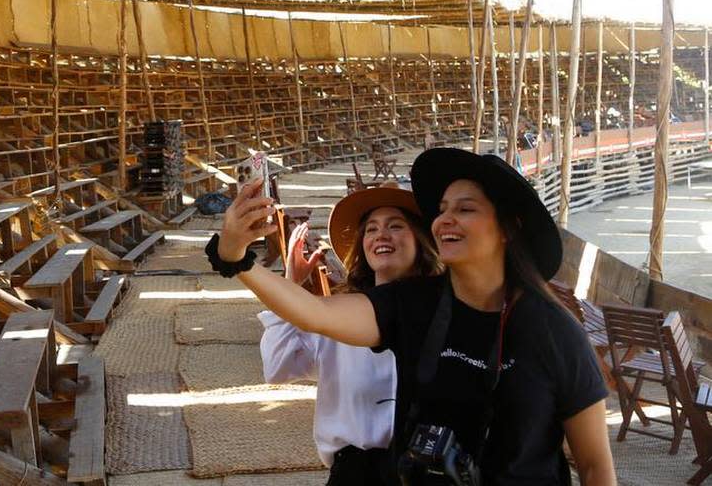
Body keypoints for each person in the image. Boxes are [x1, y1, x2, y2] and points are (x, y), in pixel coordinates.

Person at [210, 148, 615, 485]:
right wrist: (235, 258)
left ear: (509, 227)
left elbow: (596, 466)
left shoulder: (556, 331)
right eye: (441, 209)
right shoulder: (414, 305)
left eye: (465, 208)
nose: (445, 219)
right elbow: (315, 313)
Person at [259, 185, 442, 484]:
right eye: (371, 229)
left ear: (421, 241)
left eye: (396, 226)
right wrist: (291, 284)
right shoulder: (337, 317)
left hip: (427, 470)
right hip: (356, 472)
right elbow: (278, 367)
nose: (381, 235)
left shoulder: (446, 315)